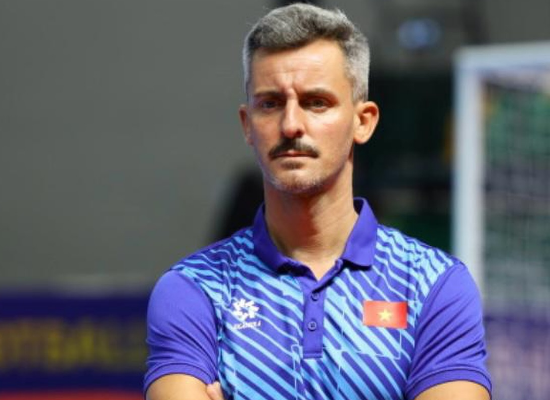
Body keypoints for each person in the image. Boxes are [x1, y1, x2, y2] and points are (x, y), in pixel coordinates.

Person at [144, 4, 492, 400]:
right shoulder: (193, 288)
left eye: (316, 102)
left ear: (363, 121)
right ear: (247, 124)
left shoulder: (435, 285)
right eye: (270, 103)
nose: (291, 125)